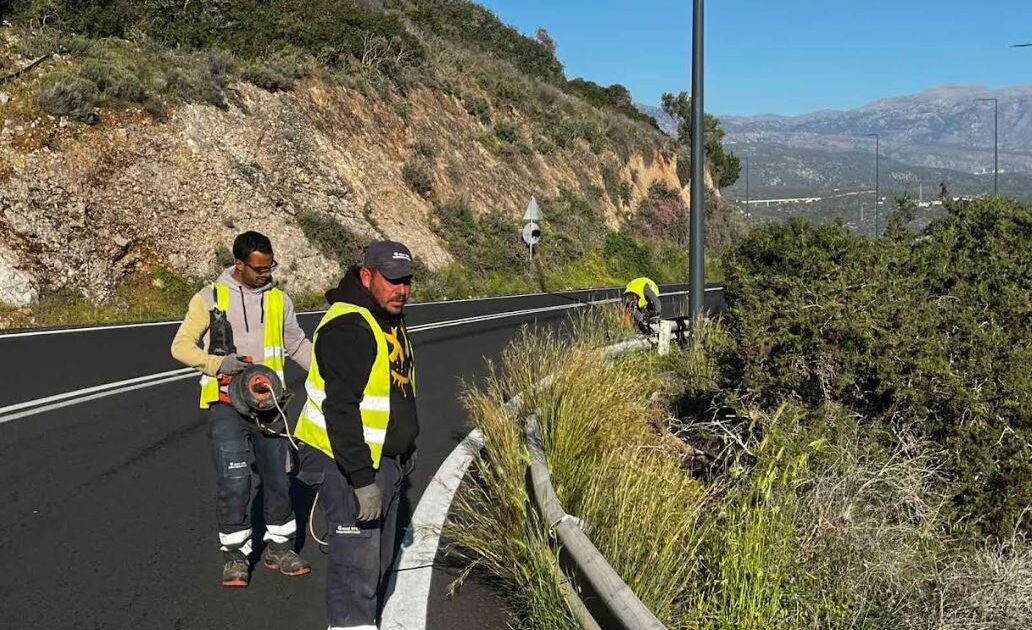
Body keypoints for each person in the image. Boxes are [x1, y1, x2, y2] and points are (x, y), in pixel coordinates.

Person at [170, 231, 313, 587]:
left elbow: (297, 344)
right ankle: (235, 555)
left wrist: (330, 375)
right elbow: (181, 346)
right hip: (226, 406)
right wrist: (218, 364)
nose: (266, 274)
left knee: (278, 478)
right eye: (259, 269)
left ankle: (280, 548)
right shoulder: (210, 298)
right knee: (234, 481)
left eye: (270, 267)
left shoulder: (279, 300)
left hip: (271, 406)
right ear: (239, 264)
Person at [294, 240, 419, 629]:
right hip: (347, 463)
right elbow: (341, 410)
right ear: (367, 276)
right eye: (393, 280)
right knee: (355, 571)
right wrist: (362, 480)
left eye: (408, 281)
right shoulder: (350, 326)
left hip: (383, 458)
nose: (402, 290)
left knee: (376, 564)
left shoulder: (387, 315)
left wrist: (405, 445)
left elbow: (394, 389)